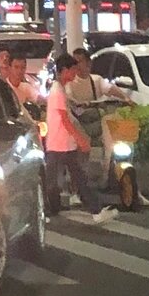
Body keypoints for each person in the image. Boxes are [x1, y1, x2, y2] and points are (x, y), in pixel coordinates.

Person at [45, 50, 115, 222]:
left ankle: (95, 210)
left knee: (75, 179)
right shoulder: (57, 92)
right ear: (63, 70)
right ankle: (48, 211)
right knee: (54, 182)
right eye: (72, 70)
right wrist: (80, 138)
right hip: (58, 143)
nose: (75, 74)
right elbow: (64, 120)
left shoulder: (60, 89)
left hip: (63, 143)